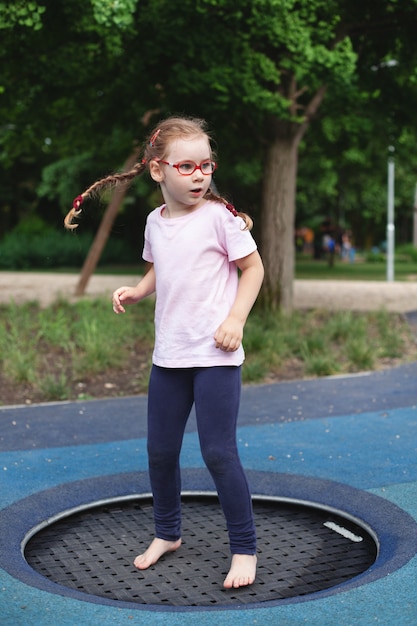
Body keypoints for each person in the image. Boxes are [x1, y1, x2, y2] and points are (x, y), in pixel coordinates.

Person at [64, 116, 264, 589]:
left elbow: (253, 270)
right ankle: (168, 534)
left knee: (218, 452)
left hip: (214, 357)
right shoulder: (156, 222)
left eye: (207, 165)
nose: (200, 175)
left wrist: (235, 319)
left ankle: (244, 548)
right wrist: (137, 291)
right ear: (159, 171)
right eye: (187, 166)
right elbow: (160, 270)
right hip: (169, 357)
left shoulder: (220, 219)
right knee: (160, 451)